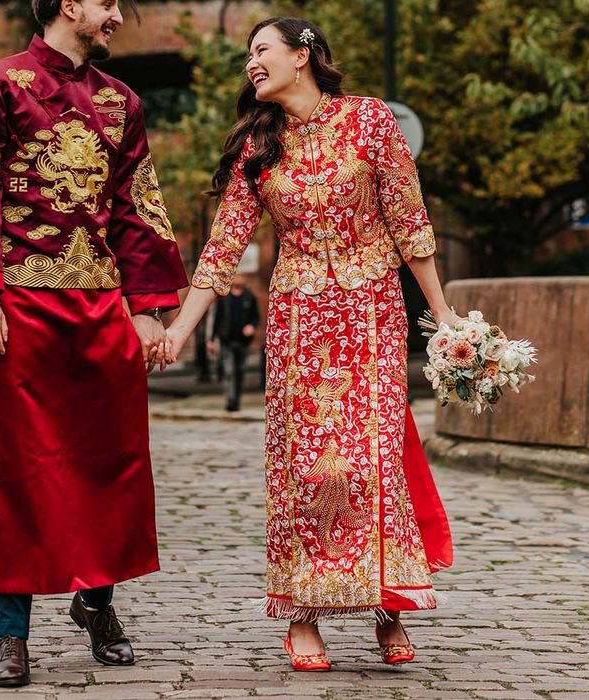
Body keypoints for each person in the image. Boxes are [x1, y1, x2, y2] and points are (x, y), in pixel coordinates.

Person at [160, 17, 454, 671]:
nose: (250, 65)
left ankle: (389, 608)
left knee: (372, 460)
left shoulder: (372, 121)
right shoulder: (258, 144)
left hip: (371, 315)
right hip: (299, 325)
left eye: (260, 51)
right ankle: (303, 615)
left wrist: (447, 321)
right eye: (247, 56)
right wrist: (182, 327)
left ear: (303, 55)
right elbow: (223, 246)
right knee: (308, 468)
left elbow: (410, 220)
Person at [0, 0, 187, 687]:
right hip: (19, 306)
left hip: (101, 306)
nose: (118, 18)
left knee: (114, 461)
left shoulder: (120, 100)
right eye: (108, 5)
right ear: (70, 3)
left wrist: (148, 307)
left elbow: (137, 203)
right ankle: (11, 636)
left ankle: (97, 604)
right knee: (21, 468)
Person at [209, 274, 260, 411]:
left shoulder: (249, 297)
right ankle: (230, 401)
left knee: (240, 371)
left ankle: (236, 400)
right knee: (229, 371)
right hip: (227, 340)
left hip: (243, 342)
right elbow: (217, 319)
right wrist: (211, 339)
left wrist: (252, 326)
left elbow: (256, 317)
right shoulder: (224, 299)